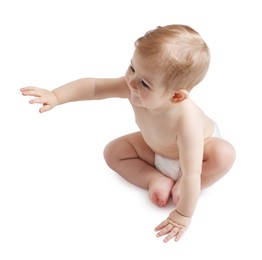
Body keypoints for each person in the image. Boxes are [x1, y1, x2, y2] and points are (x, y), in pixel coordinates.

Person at [20, 24, 236, 243]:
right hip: (157, 149)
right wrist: (56, 96)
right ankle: (154, 178)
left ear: (177, 97)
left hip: (199, 158)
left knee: (224, 154)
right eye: (132, 68)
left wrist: (182, 214)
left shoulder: (186, 122)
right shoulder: (134, 87)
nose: (131, 82)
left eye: (145, 83)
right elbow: (94, 87)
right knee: (113, 152)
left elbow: (191, 172)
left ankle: (180, 187)